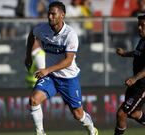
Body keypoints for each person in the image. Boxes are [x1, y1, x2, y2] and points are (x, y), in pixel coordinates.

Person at [24, 1, 98, 135]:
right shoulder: (43, 29)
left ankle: (92, 129)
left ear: (62, 15)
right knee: (34, 100)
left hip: (68, 78)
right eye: (49, 14)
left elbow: (68, 61)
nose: (50, 17)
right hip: (51, 77)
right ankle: (40, 133)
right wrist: (28, 56)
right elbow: (32, 35)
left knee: (78, 114)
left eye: (53, 14)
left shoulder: (70, 34)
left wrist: (46, 70)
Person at [114, 13, 145, 135]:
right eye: (139, 25)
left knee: (121, 113)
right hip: (136, 84)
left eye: (143, 25)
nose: (139, 28)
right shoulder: (142, 41)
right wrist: (125, 54)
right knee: (134, 113)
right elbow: (138, 53)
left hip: (142, 85)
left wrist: (134, 78)